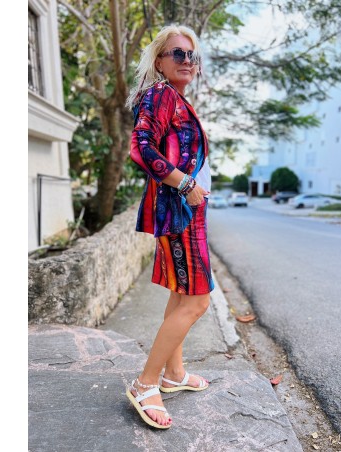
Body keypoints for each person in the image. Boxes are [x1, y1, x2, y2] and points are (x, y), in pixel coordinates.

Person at [124, 24, 214, 429]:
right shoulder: (160, 95)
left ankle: (173, 374)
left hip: (186, 211)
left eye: (192, 55)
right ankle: (145, 383)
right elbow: (141, 148)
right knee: (197, 302)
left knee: (182, 296)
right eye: (178, 53)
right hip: (178, 211)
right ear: (159, 61)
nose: (187, 61)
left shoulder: (175, 99)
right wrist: (187, 184)